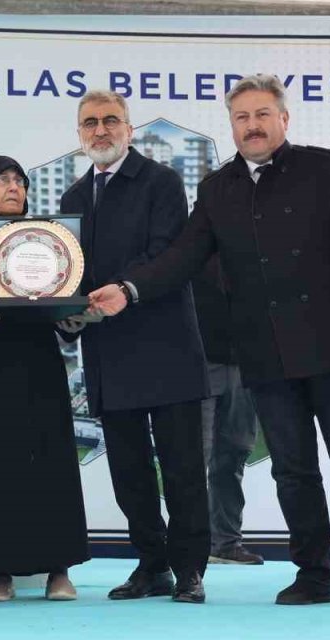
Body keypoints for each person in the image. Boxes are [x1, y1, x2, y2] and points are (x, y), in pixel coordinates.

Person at [86, 75, 330, 607]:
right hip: (262, 351)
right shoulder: (218, 188)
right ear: (231, 126)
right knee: (292, 469)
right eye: (242, 117)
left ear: (284, 120)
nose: (252, 126)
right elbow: (183, 256)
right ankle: (313, 575)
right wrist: (129, 289)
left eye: (262, 115)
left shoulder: (325, 167)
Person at [59, 90, 212, 604]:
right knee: (128, 471)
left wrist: (124, 290)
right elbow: (70, 274)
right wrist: (67, 309)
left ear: (129, 128)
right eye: (89, 124)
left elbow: (167, 254)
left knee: (183, 466)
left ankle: (190, 569)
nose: (99, 131)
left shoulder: (162, 182)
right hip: (108, 351)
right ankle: (152, 564)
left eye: (109, 121)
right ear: (79, 135)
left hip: (165, 346)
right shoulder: (72, 199)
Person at [0, 156, 90, 602]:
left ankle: (58, 569)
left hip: (38, 365)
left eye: (20, 182)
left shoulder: (46, 238)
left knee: (48, 463)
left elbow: (67, 297)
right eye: (3, 180)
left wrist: (73, 319)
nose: (13, 188)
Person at [192, 258, 265, 566]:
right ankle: (191, 544)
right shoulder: (189, 238)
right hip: (198, 361)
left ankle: (226, 541)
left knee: (234, 454)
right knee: (195, 458)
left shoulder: (256, 238)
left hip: (246, 362)